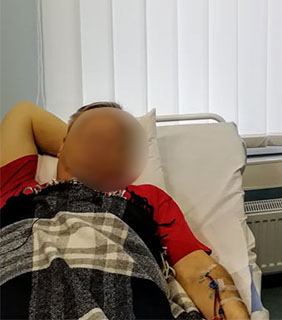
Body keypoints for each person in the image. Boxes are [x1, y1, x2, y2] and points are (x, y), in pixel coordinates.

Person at [0, 101, 250, 319]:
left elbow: (196, 269)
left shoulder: (148, 199)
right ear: (62, 145)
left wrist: (235, 311)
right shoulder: (17, 188)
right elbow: (25, 114)